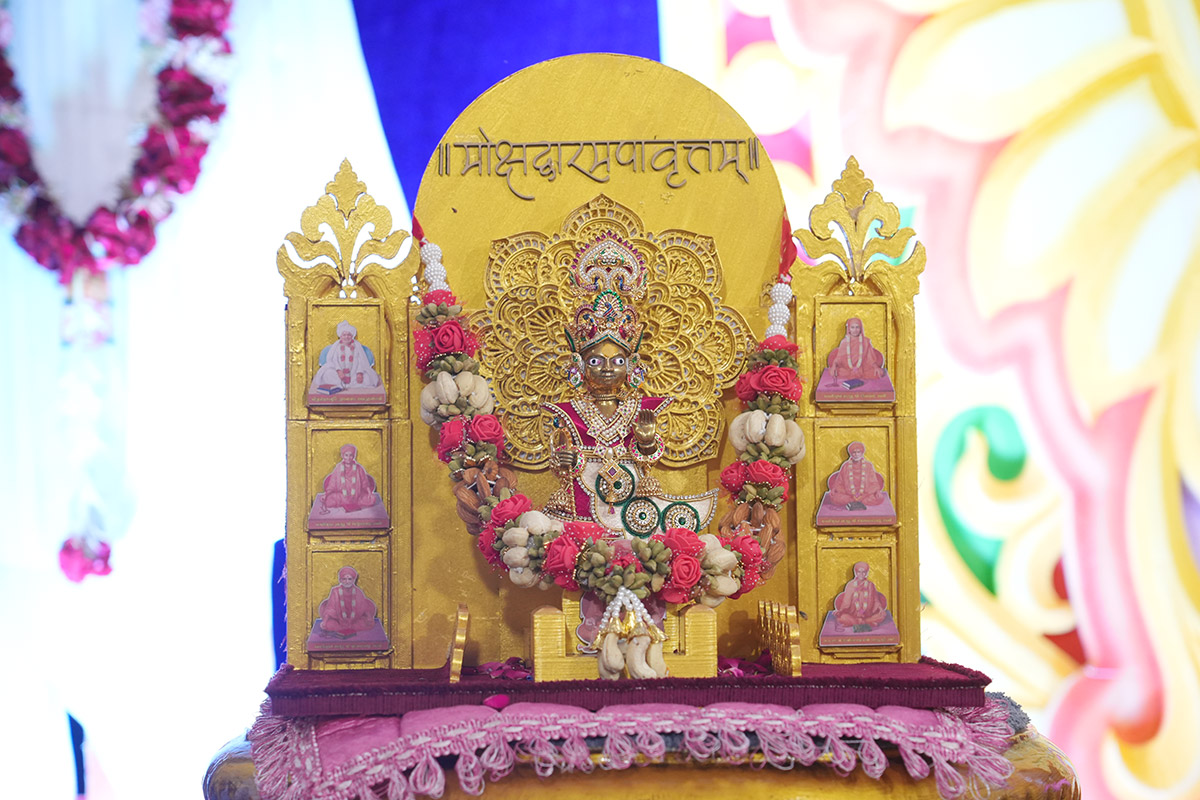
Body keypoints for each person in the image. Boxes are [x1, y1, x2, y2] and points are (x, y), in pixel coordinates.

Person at [541, 232, 712, 538]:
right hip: (582, 505)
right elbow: (560, 457)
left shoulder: (640, 409)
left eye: (618, 361)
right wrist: (565, 460)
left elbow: (648, 460)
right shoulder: (568, 412)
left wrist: (646, 442)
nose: (607, 368)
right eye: (596, 361)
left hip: (633, 508)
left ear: (632, 366)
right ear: (579, 365)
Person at [311, 320, 382, 393]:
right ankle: (342, 384)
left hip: (354, 373)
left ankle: (348, 384)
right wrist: (339, 371)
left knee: (368, 378)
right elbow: (334, 360)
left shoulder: (356, 346)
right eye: (344, 335)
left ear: (352, 336)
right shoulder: (337, 347)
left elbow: (361, 360)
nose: (346, 337)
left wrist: (359, 373)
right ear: (340, 336)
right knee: (327, 374)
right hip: (339, 374)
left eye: (349, 335)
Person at [318, 566, 378, 635]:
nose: (347, 582)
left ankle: (348, 627)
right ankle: (346, 627)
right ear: (340, 580)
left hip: (355, 621)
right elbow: (330, 609)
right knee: (329, 625)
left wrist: (368, 617)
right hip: (338, 620)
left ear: (354, 580)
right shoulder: (335, 591)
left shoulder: (358, 592)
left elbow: (364, 607)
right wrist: (325, 622)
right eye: (344, 579)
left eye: (349, 579)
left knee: (366, 623)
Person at [319, 444, 378, 514]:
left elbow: (364, 483)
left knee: (372, 499)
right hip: (342, 496)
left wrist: (369, 493)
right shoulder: (338, 468)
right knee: (328, 500)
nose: (348, 458)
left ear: (354, 456)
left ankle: (349, 503)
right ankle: (347, 502)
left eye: (351, 455)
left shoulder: (359, 468)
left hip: (357, 497)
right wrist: (326, 494)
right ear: (342, 456)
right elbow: (332, 484)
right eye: (346, 455)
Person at [826, 441, 886, 509]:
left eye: (858, 452)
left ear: (862, 453)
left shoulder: (868, 465)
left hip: (865, 495)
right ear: (851, 454)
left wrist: (876, 491)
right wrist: (835, 489)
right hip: (848, 495)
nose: (856, 454)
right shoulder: (845, 465)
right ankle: (857, 502)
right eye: (854, 452)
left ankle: (855, 502)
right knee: (835, 497)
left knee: (879, 497)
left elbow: (874, 483)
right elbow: (839, 482)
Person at [827, 317, 885, 381]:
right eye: (852, 327)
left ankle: (857, 374)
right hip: (847, 370)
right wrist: (834, 365)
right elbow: (839, 358)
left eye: (857, 327)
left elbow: (870, 358)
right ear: (849, 329)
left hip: (863, 369)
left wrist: (876, 367)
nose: (855, 330)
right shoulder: (844, 342)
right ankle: (854, 374)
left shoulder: (866, 341)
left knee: (878, 372)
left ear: (861, 329)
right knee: (835, 371)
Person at [833, 561, 889, 628]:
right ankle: (866, 623)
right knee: (841, 617)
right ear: (855, 572)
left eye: (864, 572)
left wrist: (880, 608)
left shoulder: (870, 585)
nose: (861, 574)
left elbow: (875, 600)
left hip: (868, 614)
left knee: (882, 615)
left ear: (867, 573)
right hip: (853, 614)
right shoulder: (850, 585)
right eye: (859, 572)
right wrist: (840, 611)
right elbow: (846, 602)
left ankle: (858, 622)